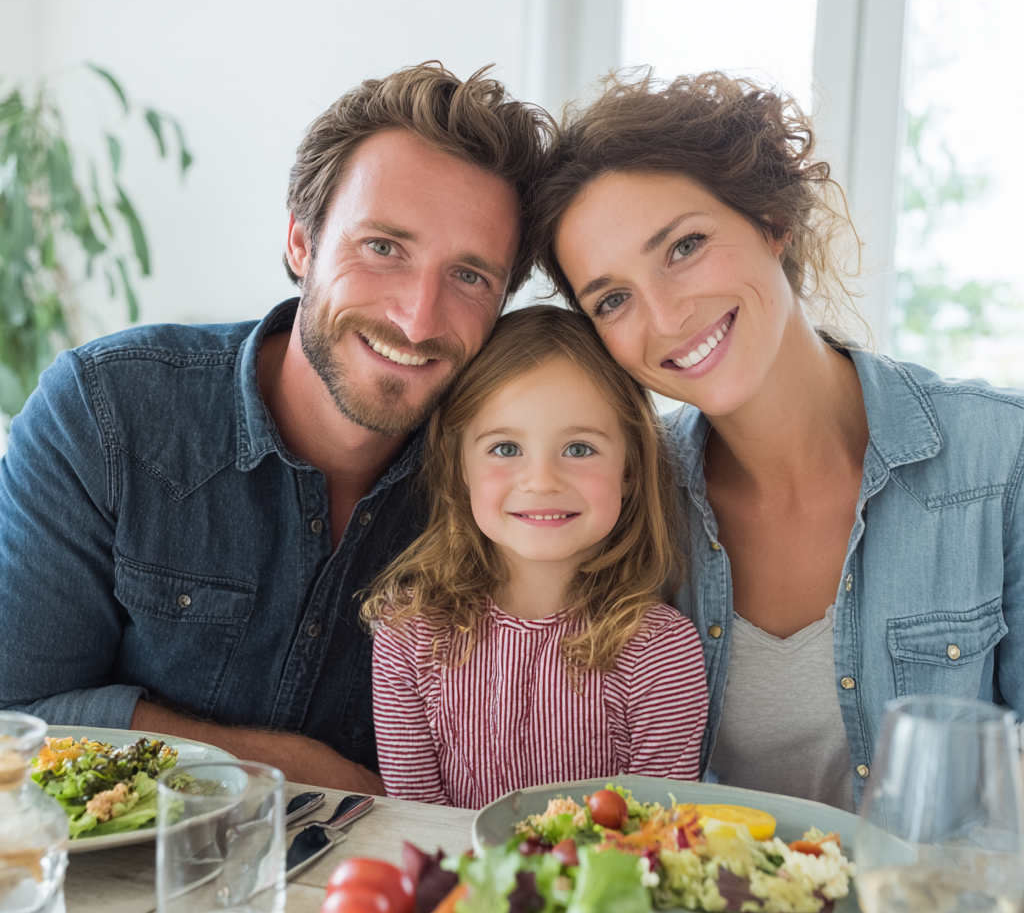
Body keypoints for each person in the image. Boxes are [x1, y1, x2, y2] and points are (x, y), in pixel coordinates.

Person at [0, 63, 552, 794]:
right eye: (383, 247)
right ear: (301, 242)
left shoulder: (521, 481)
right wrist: (289, 770)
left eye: (470, 277)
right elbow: (17, 720)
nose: (418, 319)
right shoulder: (103, 412)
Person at [529, 70, 1024, 812]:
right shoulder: (624, 498)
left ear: (771, 222)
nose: (664, 316)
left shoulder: (1000, 457)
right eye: (614, 298)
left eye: (684, 246)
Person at [365, 306, 708, 810]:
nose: (543, 480)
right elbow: (418, 821)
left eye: (579, 448)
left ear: (630, 470)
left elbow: (654, 839)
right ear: (460, 467)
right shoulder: (408, 635)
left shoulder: (660, 653)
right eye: (505, 449)